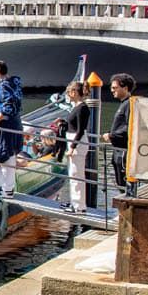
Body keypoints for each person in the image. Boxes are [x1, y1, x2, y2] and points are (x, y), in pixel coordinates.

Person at [0, 60, 24, 199]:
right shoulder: (15, 82)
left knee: (1, 154)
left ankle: (0, 188)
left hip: (7, 123)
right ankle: (8, 188)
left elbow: (8, 105)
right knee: (10, 154)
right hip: (16, 121)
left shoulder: (4, 86)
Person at [61, 80, 91, 213]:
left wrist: (72, 147)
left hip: (77, 141)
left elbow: (80, 130)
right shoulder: (76, 107)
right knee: (73, 174)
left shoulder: (82, 108)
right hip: (72, 139)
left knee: (76, 174)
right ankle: (75, 203)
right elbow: (72, 125)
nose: (68, 94)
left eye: (69, 92)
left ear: (74, 92)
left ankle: (79, 206)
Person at [102, 73, 134, 188]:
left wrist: (112, 136)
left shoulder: (129, 104)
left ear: (125, 88)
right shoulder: (124, 104)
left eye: (115, 88)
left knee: (125, 185)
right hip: (118, 151)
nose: (111, 90)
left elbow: (130, 127)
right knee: (120, 184)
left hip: (123, 153)